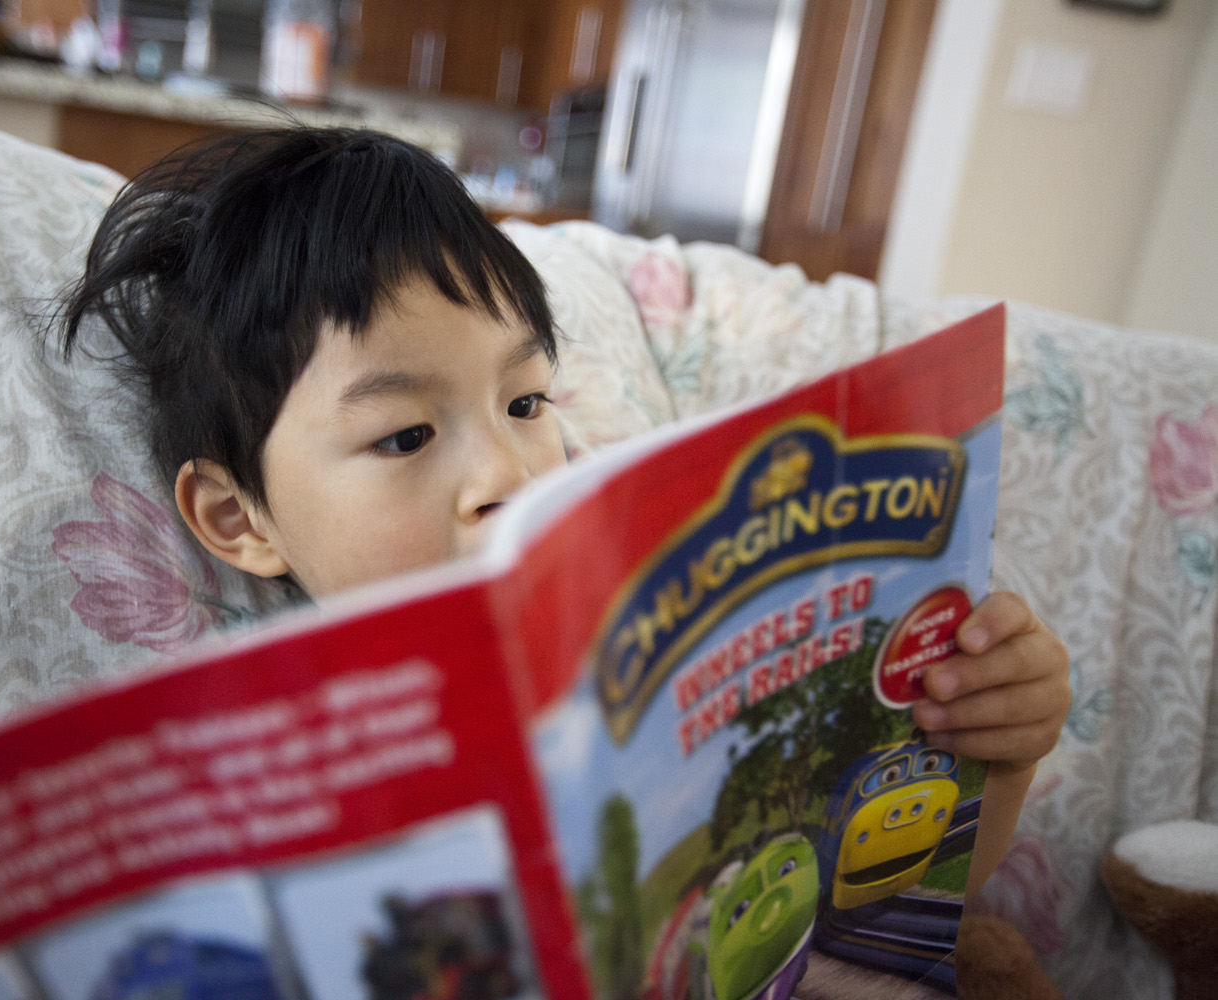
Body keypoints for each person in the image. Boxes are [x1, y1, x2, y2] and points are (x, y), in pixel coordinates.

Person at [56, 126, 1070, 896]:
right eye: (404, 436)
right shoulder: (267, 781)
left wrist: (997, 755)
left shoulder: (656, 643)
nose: (508, 472)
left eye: (526, 404)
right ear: (239, 519)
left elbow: (889, 896)